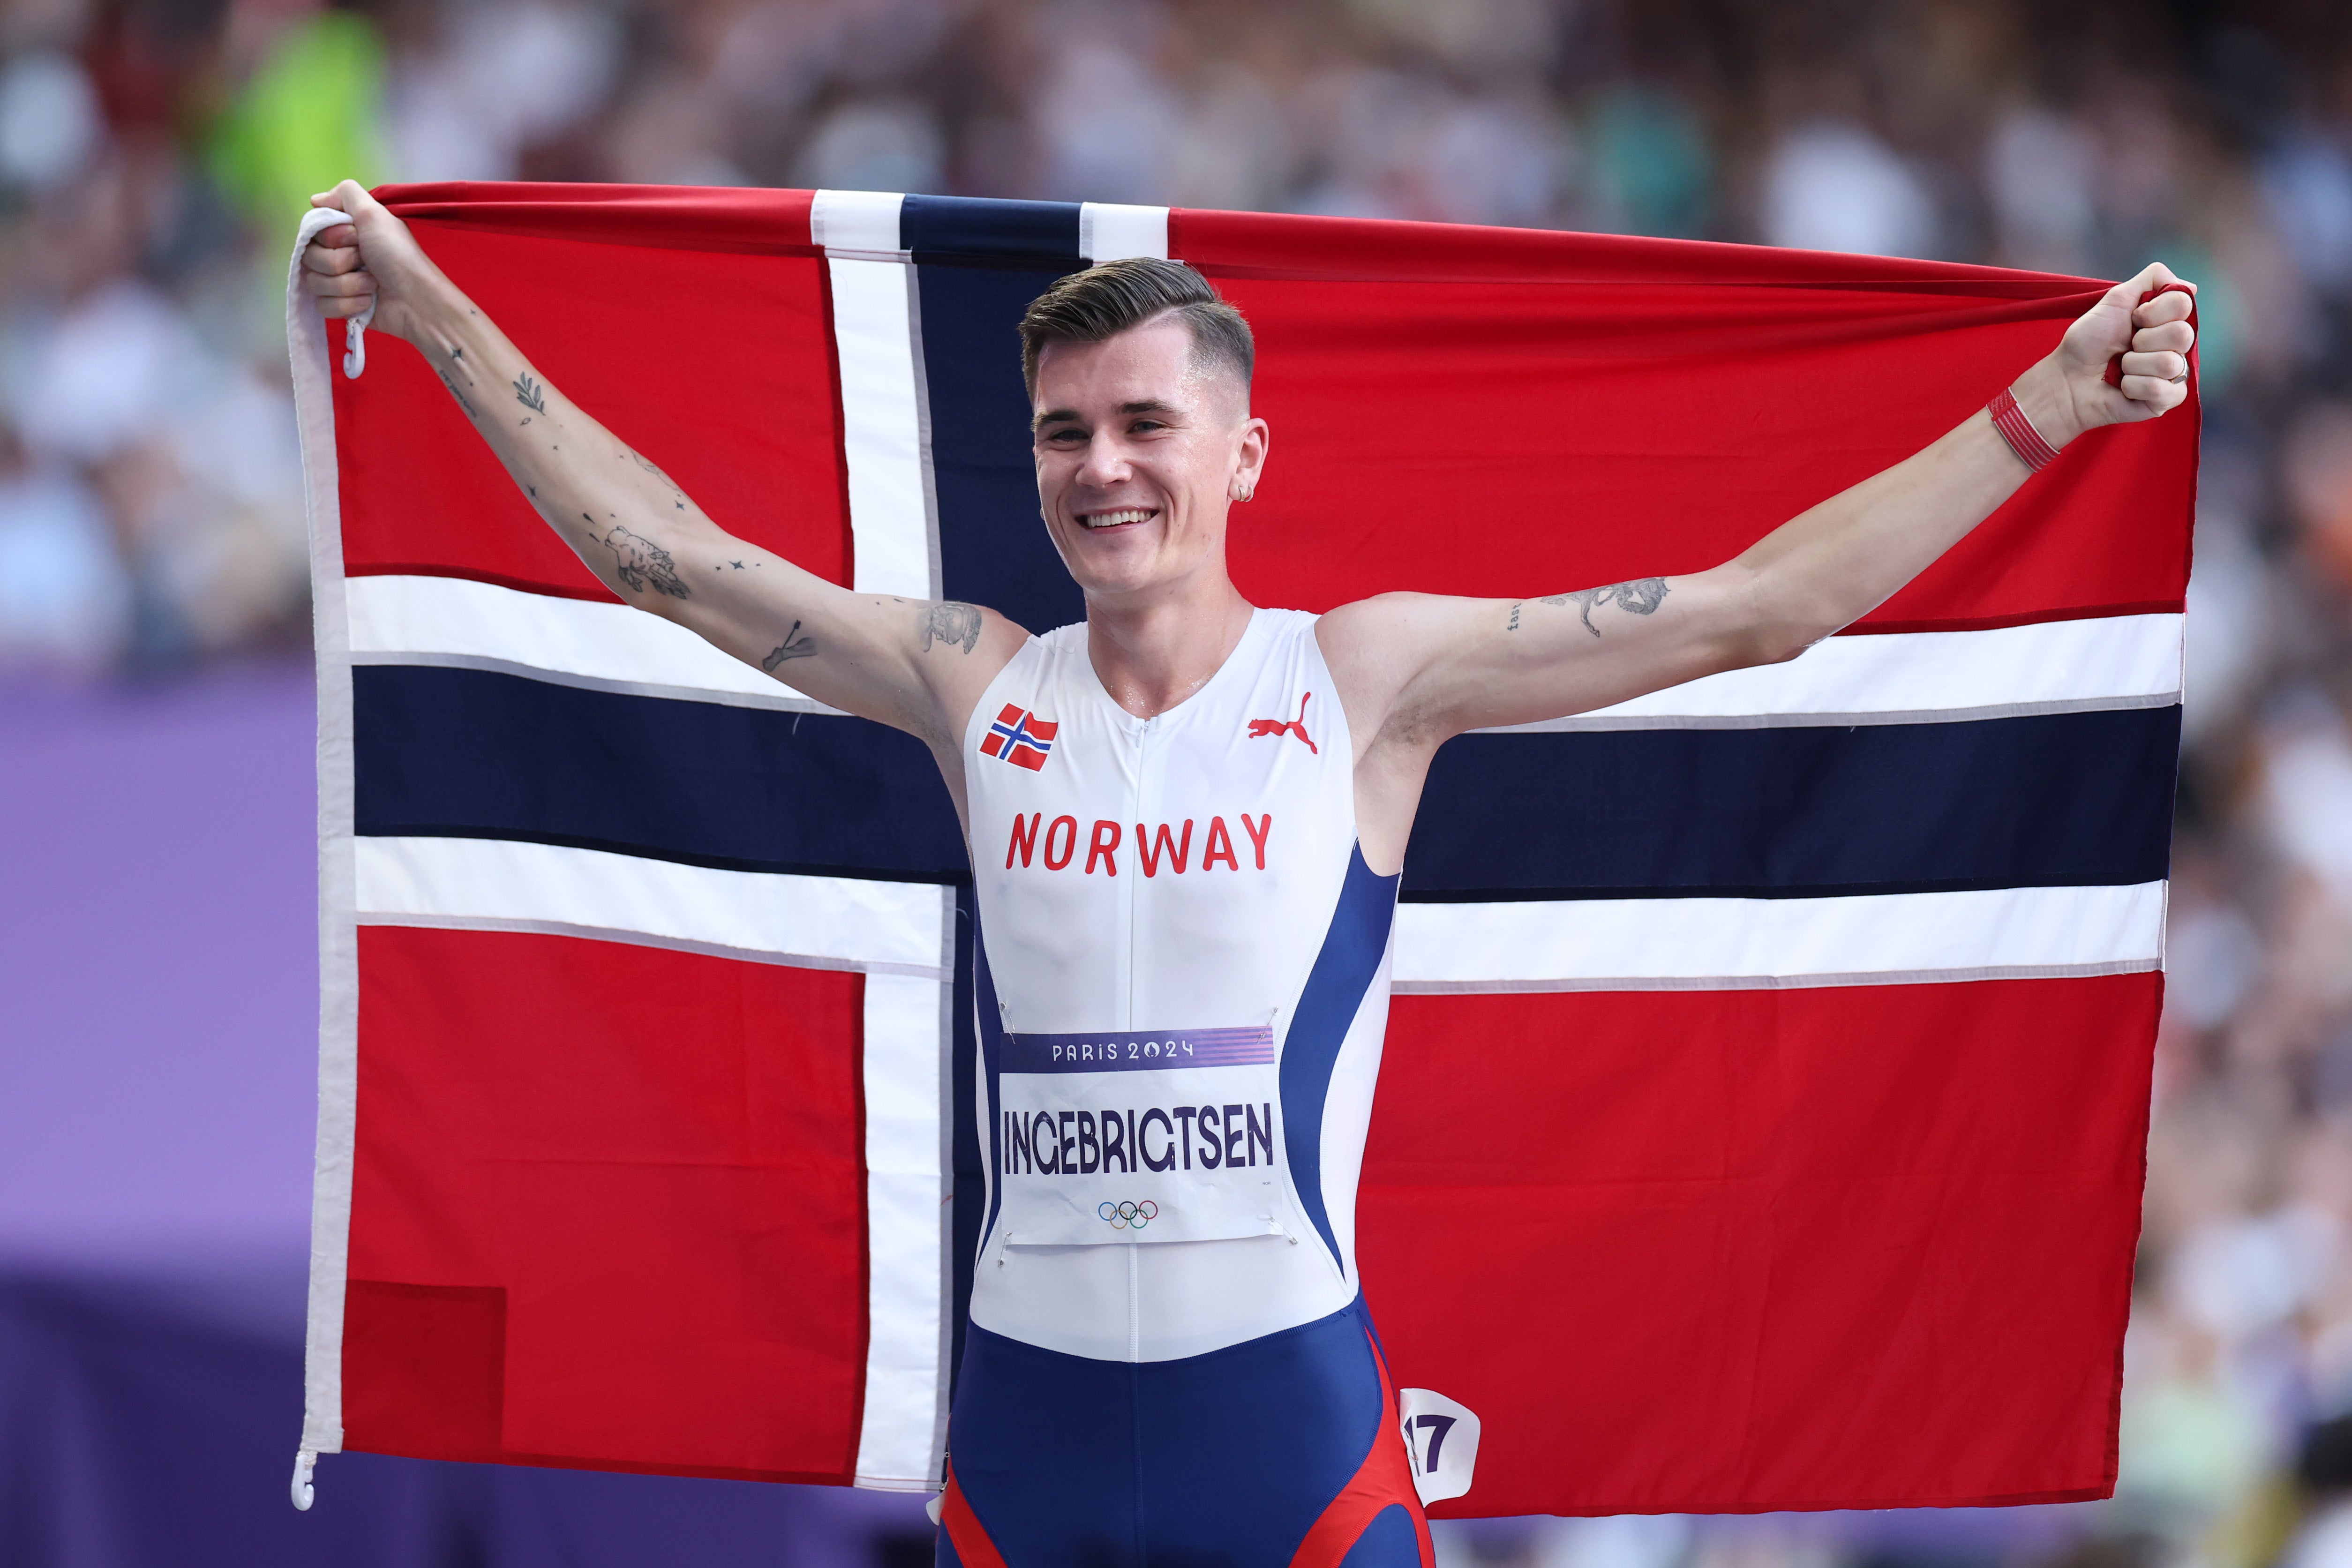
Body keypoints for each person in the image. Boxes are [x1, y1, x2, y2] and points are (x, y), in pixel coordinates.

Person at [300, 176, 2196, 1567]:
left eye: (1143, 425)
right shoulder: (973, 684)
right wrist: (431, 301)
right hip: (1024, 1469)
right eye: (1063, 432)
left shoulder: (1364, 679)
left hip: (1290, 1460)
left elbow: (1757, 615)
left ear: (1243, 450)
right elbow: (671, 565)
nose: (1099, 468)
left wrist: (2050, 407)